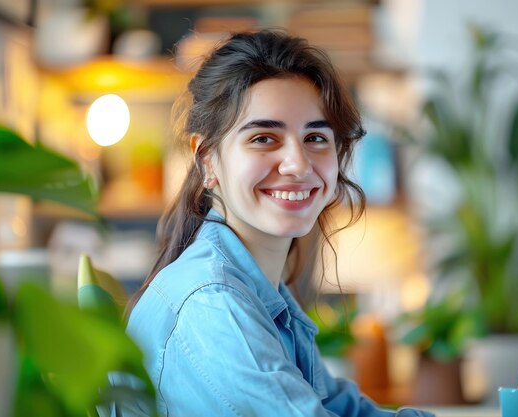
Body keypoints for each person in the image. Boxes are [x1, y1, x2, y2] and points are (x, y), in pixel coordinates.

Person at [126, 29, 434, 417]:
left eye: (316, 138)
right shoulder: (214, 306)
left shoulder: (261, 294)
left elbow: (343, 408)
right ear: (207, 159)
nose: (298, 164)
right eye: (264, 138)